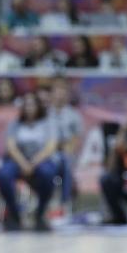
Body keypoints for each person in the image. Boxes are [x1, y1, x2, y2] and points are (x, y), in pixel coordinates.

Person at [0, 93, 59, 232]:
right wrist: (23, 163)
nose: (29, 108)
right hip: (19, 160)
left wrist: (33, 163)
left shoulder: (48, 123)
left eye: (32, 104)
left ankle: (40, 213)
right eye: (26, 105)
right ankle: (14, 213)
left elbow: (50, 147)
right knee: (3, 174)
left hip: (41, 160)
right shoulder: (15, 124)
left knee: (48, 173)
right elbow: (11, 147)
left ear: (38, 106)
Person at [46, 77, 82, 209]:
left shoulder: (73, 115)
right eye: (57, 89)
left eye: (63, 89)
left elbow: (75, 139)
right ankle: (45, 203)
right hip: (47, 153)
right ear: (52, 93)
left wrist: (67, 148)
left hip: (65, 153)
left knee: (66, 161)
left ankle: (64, 204)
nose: (60, 93)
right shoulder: (44, 113)